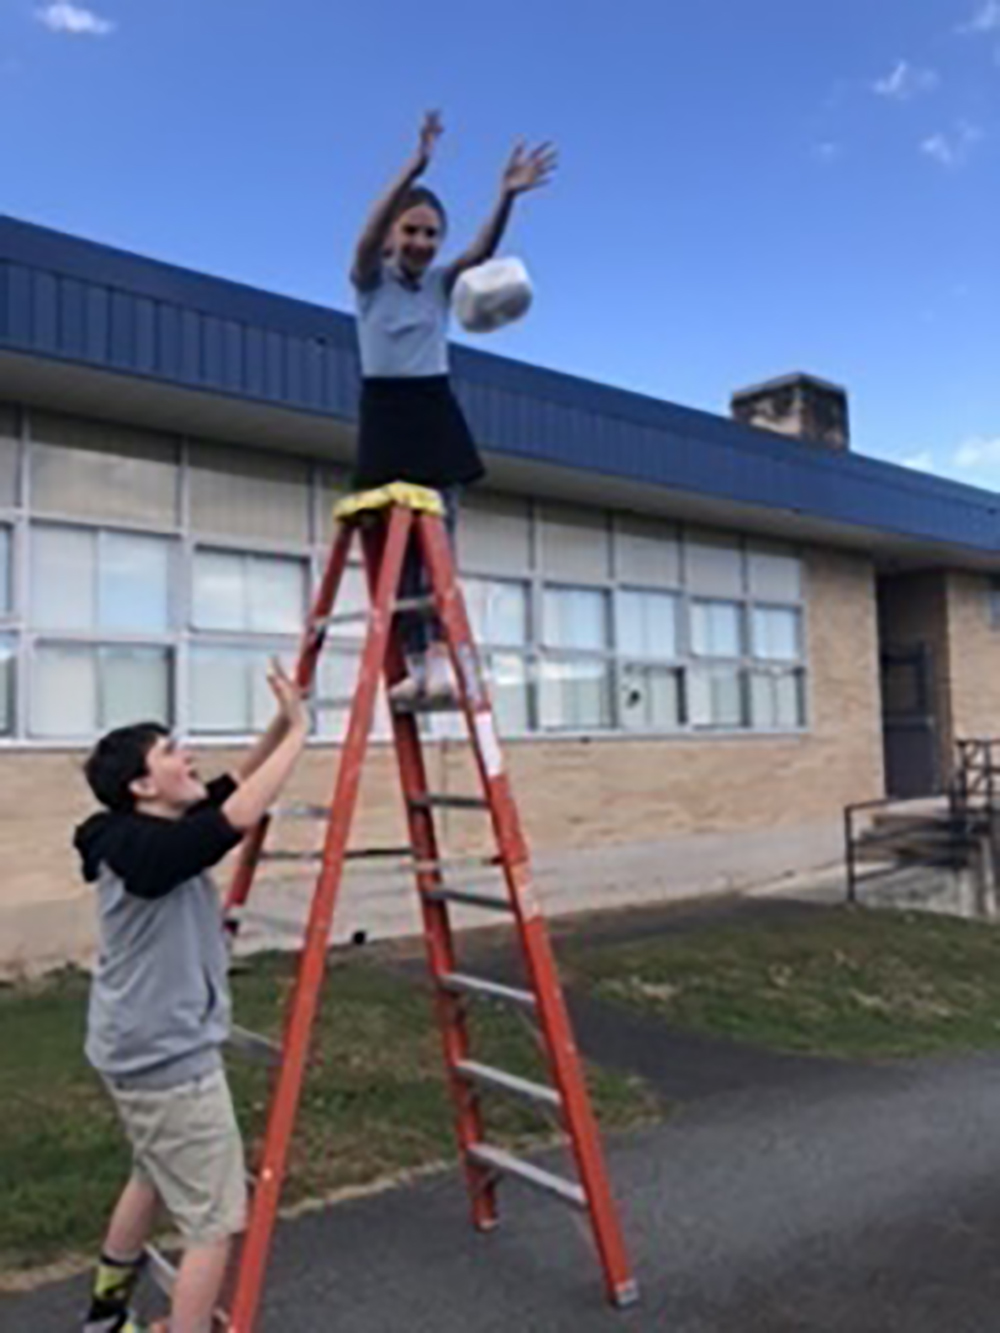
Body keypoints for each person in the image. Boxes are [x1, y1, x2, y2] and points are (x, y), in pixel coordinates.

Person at [76, 662, 308, 1333]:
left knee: (151, 1172)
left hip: (135, 1048)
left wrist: (279, 722)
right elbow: (236, 814)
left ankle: (104, 1314)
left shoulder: (140, 831)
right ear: (143, 784)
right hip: (166, 1059)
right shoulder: (148, 850)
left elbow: (231, 787)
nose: (190, 756)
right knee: (213, 1218)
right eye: (173, 751)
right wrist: (302, 733)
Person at [350, 111, 557, 703]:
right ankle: (416, 659)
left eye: (430, 234)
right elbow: (365, 238)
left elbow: (481, 251)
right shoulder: (369, 280)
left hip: (434, 410)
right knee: (398, 548)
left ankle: (443, 654)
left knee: (440, 536)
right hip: (386, 413)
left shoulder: (440, 285)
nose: (421, 243)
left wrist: (506, 196)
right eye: (410, 231)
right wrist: (414, 166)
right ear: (391, 235)